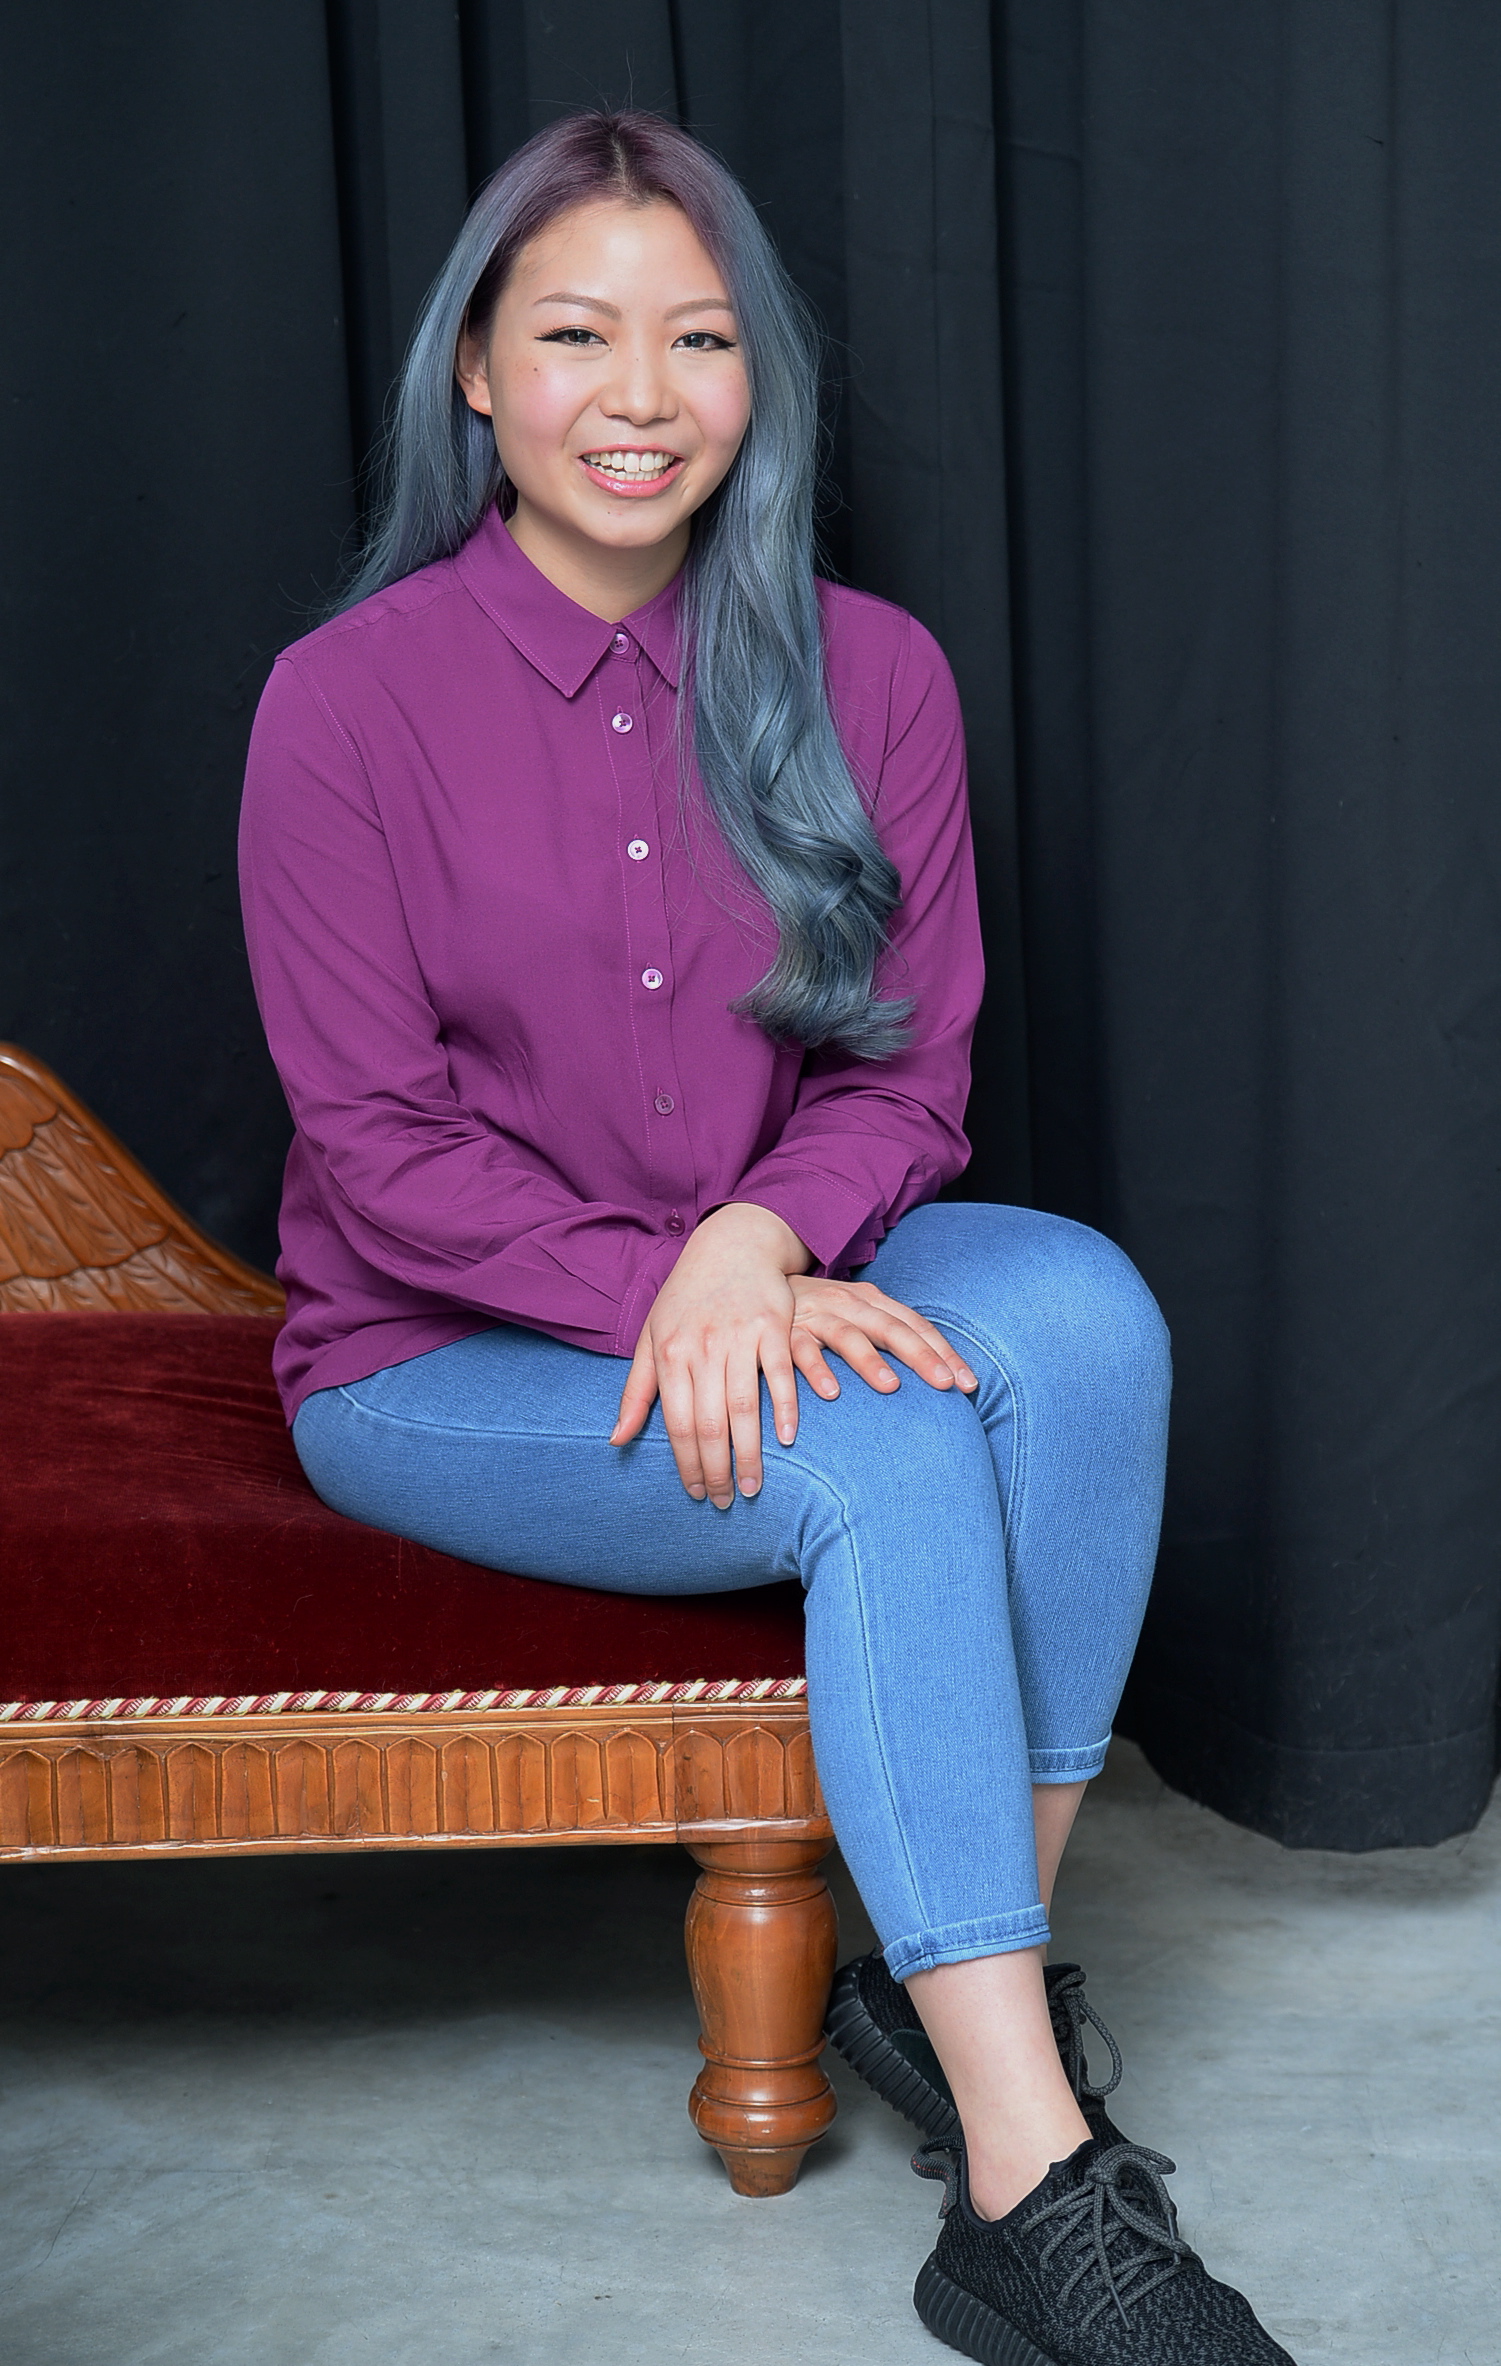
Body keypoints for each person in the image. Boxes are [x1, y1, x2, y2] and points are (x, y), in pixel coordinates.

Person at [239, 108, 1292, 2366]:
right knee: (884, 1443)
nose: (641, 395)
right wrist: (686, 1279)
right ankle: (1030, 2184)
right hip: (437, 1349)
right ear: (475, 375)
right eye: (575, 335)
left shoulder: (870, 672)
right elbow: (377, 1145)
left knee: (1084, 1320)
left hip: (763, 1258)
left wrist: (751, 1244)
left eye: (699, 338)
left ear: (758, 378)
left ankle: (954, 1991)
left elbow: (904, 1080)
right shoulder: (342, 707)